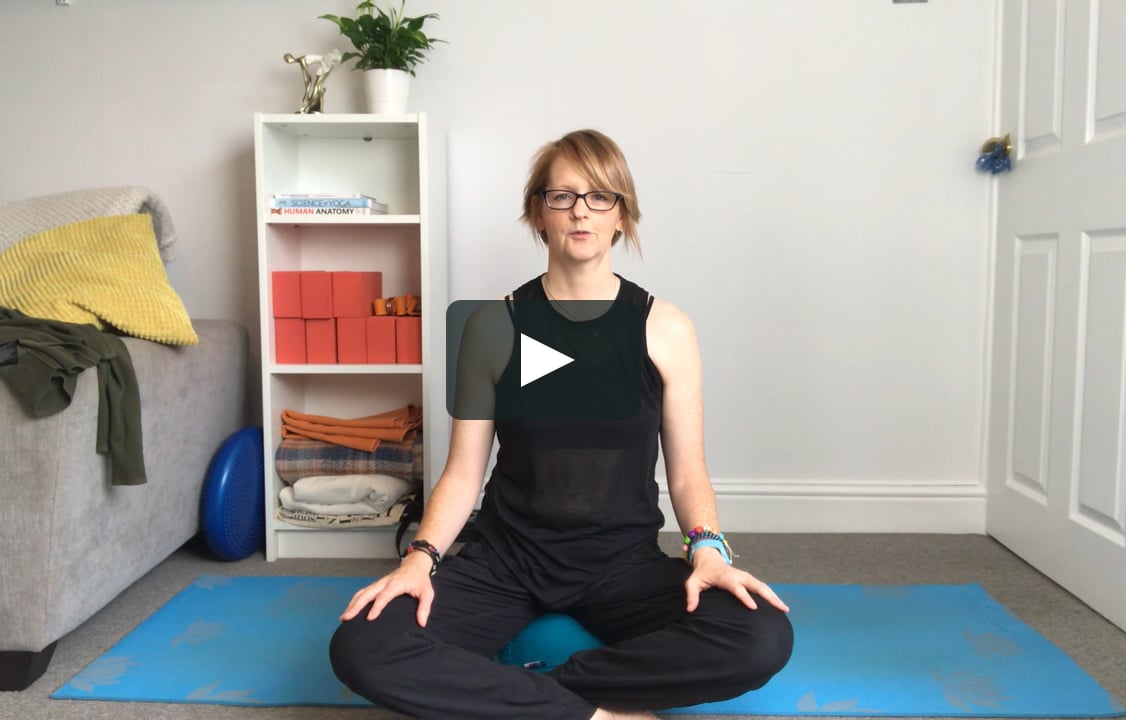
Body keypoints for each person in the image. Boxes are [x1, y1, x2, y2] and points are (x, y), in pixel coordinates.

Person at [329, 129, 794, 720]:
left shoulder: (667, 330)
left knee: (761, 636)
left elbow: (687, 471)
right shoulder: (492, 327)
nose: (580, 210)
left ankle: (541, 695)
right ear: (538, 213)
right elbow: (464, 473)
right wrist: (419, 559)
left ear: (621, 215)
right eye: (562, 196)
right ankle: (592, 715)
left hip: (623, 563)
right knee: (363, 646)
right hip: (504, 560)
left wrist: (708, 551)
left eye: (600, 196)